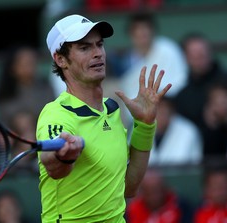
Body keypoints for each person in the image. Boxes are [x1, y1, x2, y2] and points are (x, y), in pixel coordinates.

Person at [37, 14, 171, 222]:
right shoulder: (56, 114)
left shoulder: (111, 110)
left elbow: (129, 187)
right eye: (85, 48)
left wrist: (144, 126)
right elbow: (52, 165)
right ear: (60, 59)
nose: (98, 53)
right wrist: (65, 155)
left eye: (99, 45)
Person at [114, 12, 187, 127]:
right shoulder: (125, 61)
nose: (142, 33)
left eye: (145, 29)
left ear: (152, 31)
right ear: (131, 34)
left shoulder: (167, 50)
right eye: (137, 30)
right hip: (134, 110)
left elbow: (179, 80)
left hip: (166, 106)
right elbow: (126, 86)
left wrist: (155, 97)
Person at [174, 32, 227, 128]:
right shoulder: (183, 95)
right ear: (185, 58)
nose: (201, 57)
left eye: (203, 52)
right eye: (195, 55)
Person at [0, 44, 55, 125]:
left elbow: (51, 110)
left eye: (32, 62)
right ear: (13, 67)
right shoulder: (6, 91)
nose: (30, 66)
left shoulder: (45, 86)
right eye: (26, 62)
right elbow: (7, 115)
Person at [125, 167, 193, 223]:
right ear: (143, 193)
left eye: (158, 190)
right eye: (150, 192)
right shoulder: (132, 211)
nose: (155, 197)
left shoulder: (180, 206)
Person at [149, 96, 202, 166]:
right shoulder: (141, 127)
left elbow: (195, 165)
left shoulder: (188, 131)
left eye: (165, 109)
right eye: (158, 108)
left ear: (171, 111)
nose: (161, 113)